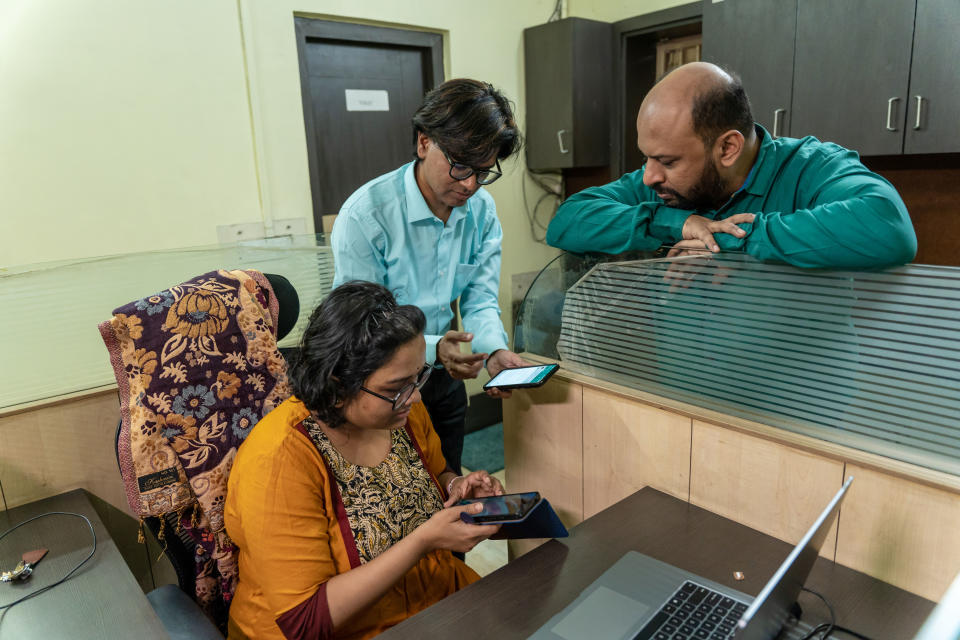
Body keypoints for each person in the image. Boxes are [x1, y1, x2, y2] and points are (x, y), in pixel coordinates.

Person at [224, 281, 505, 640]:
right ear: (337, 386)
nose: (415, 397)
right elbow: (305, 621)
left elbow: (436, 472)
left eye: (418, 377)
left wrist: (456, 485)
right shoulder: (280, 459)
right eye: (396, 387)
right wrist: (423, 541)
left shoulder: (400, 414)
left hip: (431, 602)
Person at [332, 78, 528, 474]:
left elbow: (479, 297)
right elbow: (364, 326)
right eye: (459, 166)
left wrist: (492, 352)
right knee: (399, 495)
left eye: (483, 171)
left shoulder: (482, 212)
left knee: (448, 479)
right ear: (424, 143)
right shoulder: (367, 216)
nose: (470, 184)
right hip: (381, 383)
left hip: (443, 376)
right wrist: (435, 347)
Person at [545, 62, 918, 269]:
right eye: (646, 156)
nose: (649, 175)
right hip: (677, 399)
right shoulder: (660, 187)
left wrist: (723, 239)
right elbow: (567, 221)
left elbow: (888, 227)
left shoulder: (810, 168)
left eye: (667, 160)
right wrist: (678, 224)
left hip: (797, 404)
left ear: (727, 148)